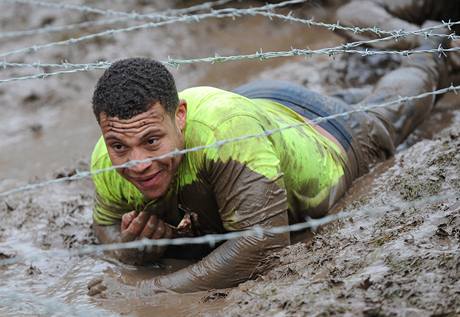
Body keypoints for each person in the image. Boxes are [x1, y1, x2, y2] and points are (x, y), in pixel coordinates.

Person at [87, 29, 448, 295]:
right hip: (258, 109)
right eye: (120, 146)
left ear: (179, 116)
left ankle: (435, 46)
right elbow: (104, 225)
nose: (137, 163)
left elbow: (261, 243)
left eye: (151, 141)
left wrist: (151, 291)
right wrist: (129, 249)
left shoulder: (227, 135)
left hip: (333, 133)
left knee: (398, 106)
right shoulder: (107, 155)